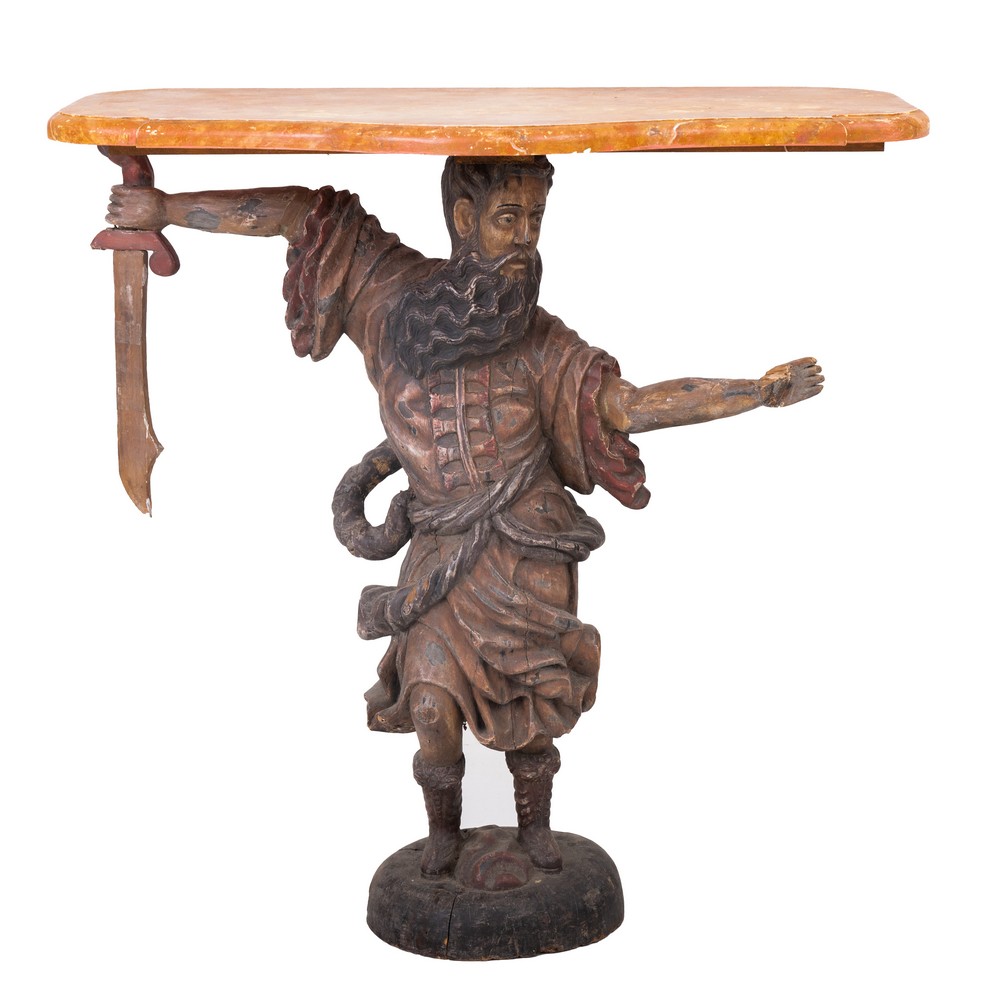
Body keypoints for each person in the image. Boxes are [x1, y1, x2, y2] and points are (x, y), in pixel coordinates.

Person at [108, 157, 823, 876]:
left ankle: (536, 831)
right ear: (462, 219)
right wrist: (164, 208)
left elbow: (627, 407)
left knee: (534, 706)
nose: (525, 238)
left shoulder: (546, 344)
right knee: (429, 706)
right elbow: (299, 213)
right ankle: (443, 837)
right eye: (508, 219)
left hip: (526, 549)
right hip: (440, 545)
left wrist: (756, 391)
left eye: (536, 220)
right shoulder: (386, 292)